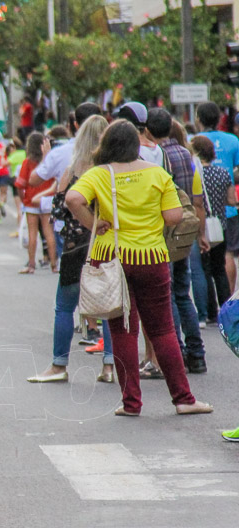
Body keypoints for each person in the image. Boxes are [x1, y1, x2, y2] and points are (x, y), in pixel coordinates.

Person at [64, 120, 213, 417]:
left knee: (122, 331)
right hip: (151, 258)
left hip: (111, 258)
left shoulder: (98, 174)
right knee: (163, 330)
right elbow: (173, 217)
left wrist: (94, 222)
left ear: (107, 145)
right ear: (135, 145)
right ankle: (183, 398)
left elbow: (72, 199)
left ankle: (131, 403)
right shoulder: (156, 173)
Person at [28, 114, 115, 384]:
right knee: (111, 307)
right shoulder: (113, 171)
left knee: (65, 307)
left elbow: (60, 210)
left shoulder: (73, 170)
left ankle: (59, 365)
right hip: (109, 247)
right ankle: (110, 366)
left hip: (76, 248)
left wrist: (83, 225)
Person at [147, 108, 208, 375]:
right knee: (184, 294)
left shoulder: (156, 156)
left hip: (164, 230)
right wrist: (201, 233)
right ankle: (197, 354)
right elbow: (197, 199)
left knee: (167, 294)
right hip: (186, 230)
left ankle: (176, 352)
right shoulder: (187, 155)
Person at [190, 135, 234, 324]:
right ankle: (225, 309)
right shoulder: (223, 173)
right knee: (219, 270)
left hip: (202, 226)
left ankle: (209, 311)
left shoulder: (196, 173)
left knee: (204, 270)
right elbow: (232, 200)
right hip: (220, 226)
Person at [15, 132, 56, 274]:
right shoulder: (49, 161)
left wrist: (23, 200)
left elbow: (20, 184)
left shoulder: (27, 163)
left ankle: (31, 264)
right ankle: (54, 265)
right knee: (48, 232)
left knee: (33, 234)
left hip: (31, 201)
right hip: (47, 199)